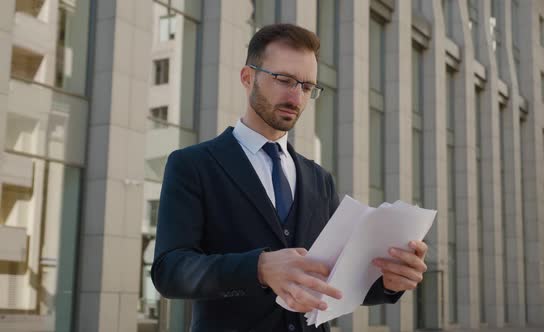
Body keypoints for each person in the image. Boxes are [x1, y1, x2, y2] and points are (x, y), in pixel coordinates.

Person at [151, 23, 428, 332]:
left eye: (307, 87)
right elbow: (170, 271)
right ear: (248, 77)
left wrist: (387, 280)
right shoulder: (193, 165)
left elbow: (335, 277)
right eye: (284, 80)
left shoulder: (319, 178)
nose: (296, 98)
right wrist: (259, 268)